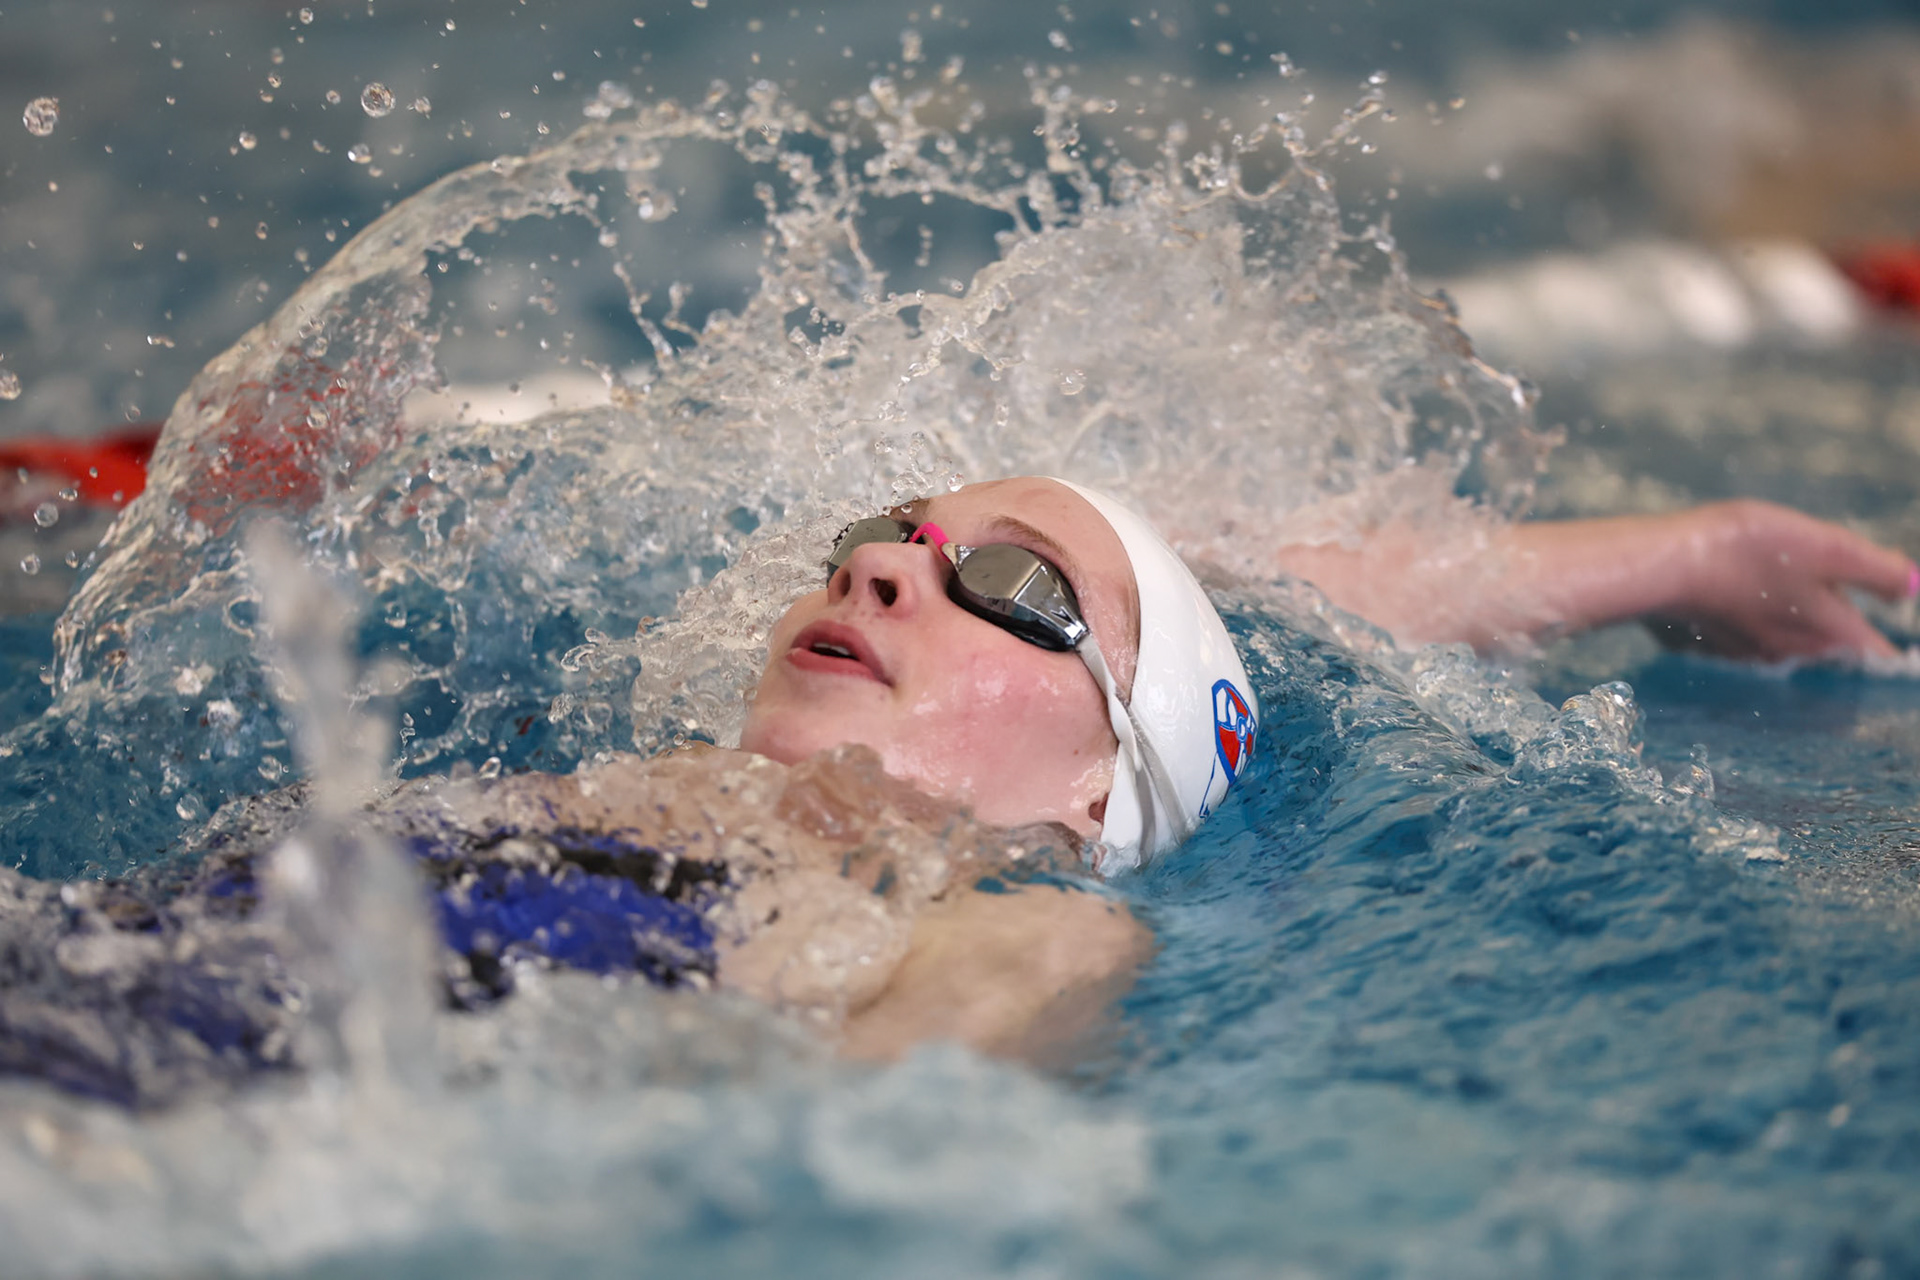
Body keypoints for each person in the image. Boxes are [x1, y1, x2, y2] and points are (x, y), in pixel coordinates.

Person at [2, 476, 1912, 1106]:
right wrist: (1671, 554)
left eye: (1009, 583)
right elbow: (1230, 605)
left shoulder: (1024, 934)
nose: (881, 567)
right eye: (887, 535)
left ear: (1101, 786)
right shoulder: (625, 773)